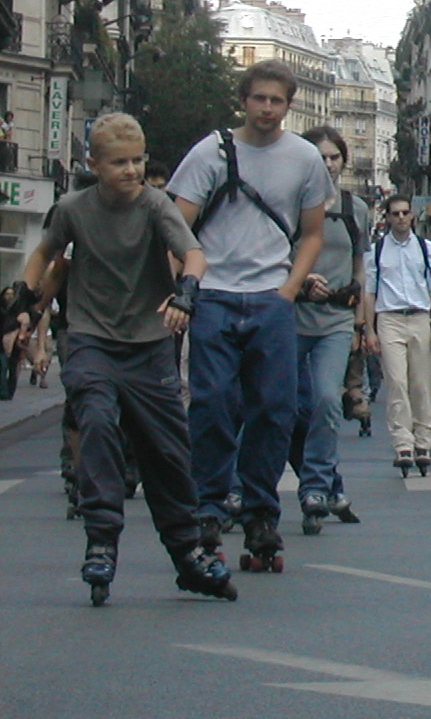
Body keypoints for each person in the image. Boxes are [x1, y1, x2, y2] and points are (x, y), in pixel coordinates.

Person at [13, 113, 234, 603]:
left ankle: (187, 553)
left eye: (137, 160)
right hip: (91, 339)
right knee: (95, 424)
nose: (132, 170)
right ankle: (101, 539)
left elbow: (194, 254)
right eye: (119, 163)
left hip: (149, 345)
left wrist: (186, 293)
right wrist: (25, 302)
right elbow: (44, 254)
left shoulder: (155, 205)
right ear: (94, 165)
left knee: (167, 452)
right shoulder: (72, 208)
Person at [171, 59, 330, 572]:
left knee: (274, 409)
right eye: (259, 98)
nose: (267, 108)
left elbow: (313, 234)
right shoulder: (210, 152)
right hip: (215, 294)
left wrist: (288, 290)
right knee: (213, 405)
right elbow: (176, 226)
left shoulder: (305, 158)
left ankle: (261, 513)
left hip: (271, 299)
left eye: (276, 100)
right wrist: (183, 288)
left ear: (289, 106)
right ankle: (208, 507)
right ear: (244, 100)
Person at [287, 126, 369, 532]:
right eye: (320, 157)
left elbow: (359, 265)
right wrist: (299, 280)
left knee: (325, 400)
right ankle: (246, 487)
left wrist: (361, 323)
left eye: (334, 157)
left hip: (335, 320)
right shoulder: (289, 204)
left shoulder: (356, 209)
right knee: (280, 406)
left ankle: (317, 486)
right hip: (292, 317)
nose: (328, 164)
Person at [362, 194, 431, 477]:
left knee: (422, 383)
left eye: (405, 213)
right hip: (390, 319)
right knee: (397, 382)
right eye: (395, 213)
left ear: (412, 216)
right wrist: (369, 330)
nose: (401, 218)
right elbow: (369, 292)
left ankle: (423, 441)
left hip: (420, 317)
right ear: (387, 217)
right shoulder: (376, 251)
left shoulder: (426, 249)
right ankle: (403, 443)